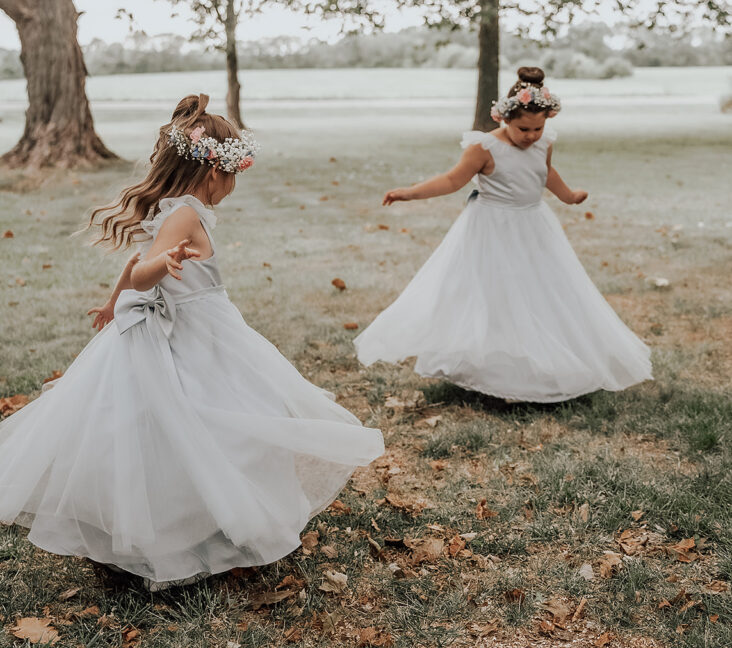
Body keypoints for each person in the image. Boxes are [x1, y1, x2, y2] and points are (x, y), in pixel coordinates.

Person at [0, 95, 384, 589]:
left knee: (181, 422)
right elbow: (142, 269)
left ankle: (191, 519)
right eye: (233, 173)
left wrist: (111, 300)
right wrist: (157, 270)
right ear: (212, 173)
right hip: (191, 331)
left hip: (191, 324)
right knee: (208, 420)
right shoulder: (185, 215)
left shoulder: (173, 210)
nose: (233, 185)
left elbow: (129, 266)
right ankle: (192, 528)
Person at [354, 67, 652, 403]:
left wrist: (568, 196)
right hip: (491, 228)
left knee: (539, 292)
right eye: (523, 128)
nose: (531, 136)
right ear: (504, 117)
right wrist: (409, 193)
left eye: (538, 128)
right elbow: (452, 181)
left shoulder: (544, 143)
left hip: (534, 226)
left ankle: (540, 364)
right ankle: (494, 371)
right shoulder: (484, 147)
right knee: (494, 293)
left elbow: (545, 173)